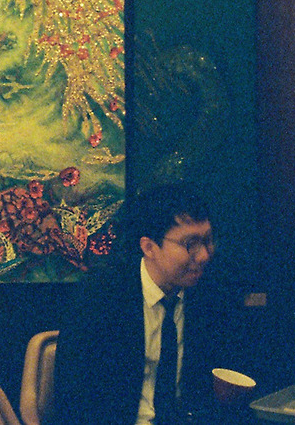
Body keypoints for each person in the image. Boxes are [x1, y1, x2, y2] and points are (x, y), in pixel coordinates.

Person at [50, 182, 249, 425]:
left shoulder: (212, 295)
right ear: (149, 247)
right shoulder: (102, 296)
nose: (204, 255)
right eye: (191, 244)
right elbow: (75, 398)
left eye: (208, 240)